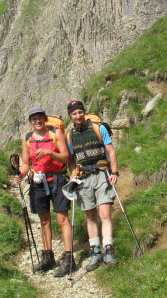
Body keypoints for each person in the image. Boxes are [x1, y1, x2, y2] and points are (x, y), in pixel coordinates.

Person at [14, 106, 76, 277]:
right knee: (44, 221)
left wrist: (50, 153)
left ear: (44, 118)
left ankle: (69, 258)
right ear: (30, 122)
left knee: (62, 219)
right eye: (34, 119)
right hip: (38, 182)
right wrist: (20, 174)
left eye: (40, 117)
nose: (37, 121)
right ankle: (48, 256)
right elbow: (26, 164)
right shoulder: (27, 139)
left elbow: (66, 157)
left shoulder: (56, 134)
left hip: (57, 179)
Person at [65, 100, 119, 270]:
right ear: (70, 116)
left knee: (104, 213)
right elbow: (71, 160)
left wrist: (115, 172)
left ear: (84, 112)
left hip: (102, 173)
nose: (78, 116)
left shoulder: (99, 128)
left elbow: (110, 151)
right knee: (90, 216)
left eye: (80, 112)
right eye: (74, 114)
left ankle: (108, 249)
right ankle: (95, 251)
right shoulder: (69, 136)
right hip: (84, 178)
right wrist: (73, 172)